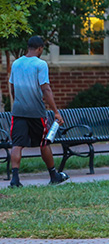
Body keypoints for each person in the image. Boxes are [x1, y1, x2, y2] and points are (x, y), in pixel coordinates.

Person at [7, 36, 70, 188]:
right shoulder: (40, 64)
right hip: (36, 112)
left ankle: (15, 180)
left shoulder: (16, 63)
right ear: (40, 48)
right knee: (44, 143)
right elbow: (45, 88)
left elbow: (13, 87)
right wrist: (56, 111)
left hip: (18, 111)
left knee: (17, 144)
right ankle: (53, 174)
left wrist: (17, 101)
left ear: (28, 47)